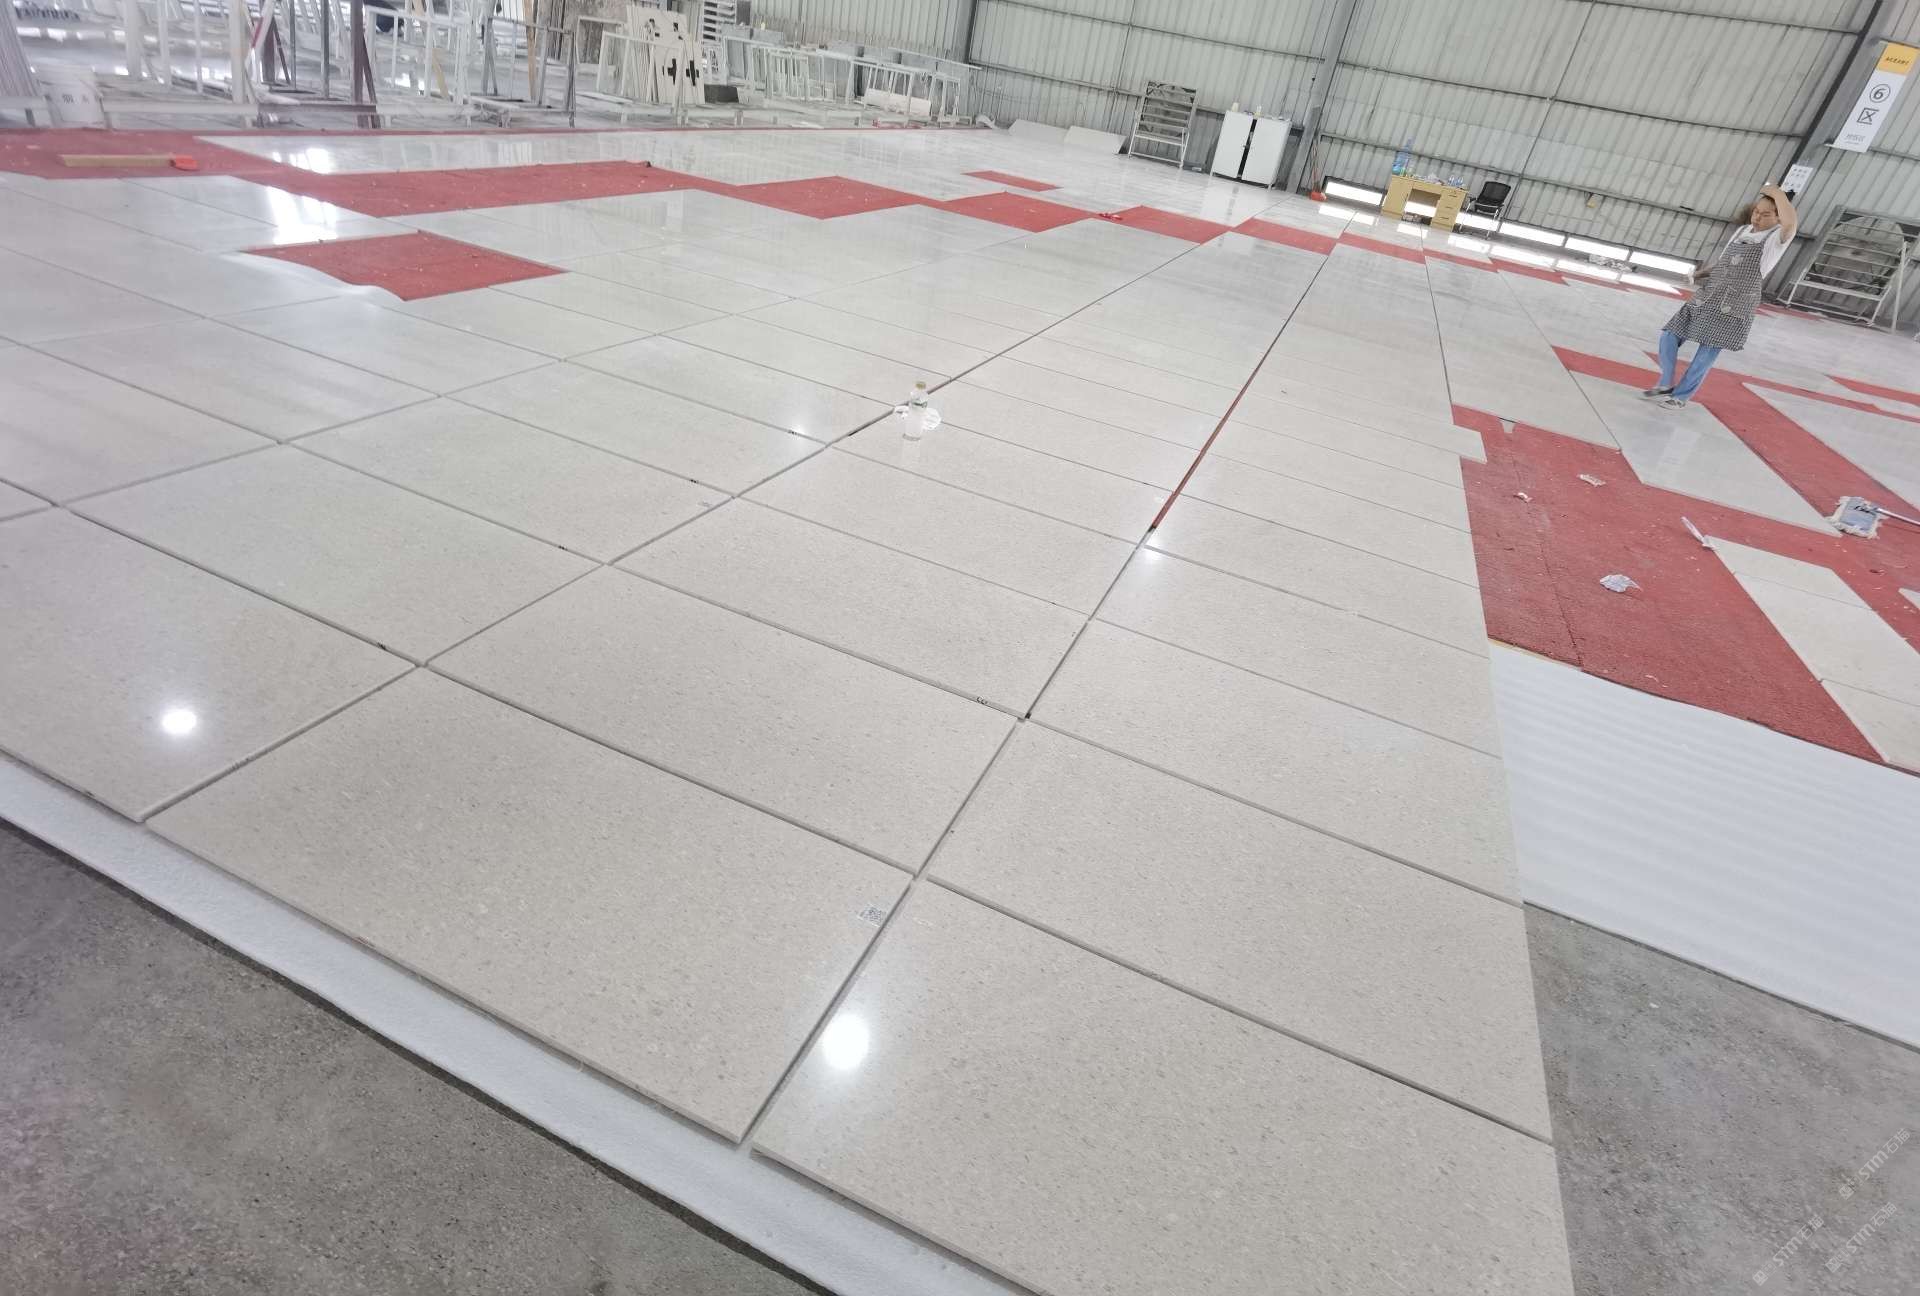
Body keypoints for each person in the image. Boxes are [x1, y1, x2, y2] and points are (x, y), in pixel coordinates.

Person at [1643, 183, 1798, 409]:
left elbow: (1791, 223)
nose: (1757, 218)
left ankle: (1680, 397)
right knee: (1670, 334)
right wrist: (1700, 274)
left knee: (1706, 352)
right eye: (1756, 212)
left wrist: (1776, 193)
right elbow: (1724, 262)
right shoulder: (1742, 231)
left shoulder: (1776, 240)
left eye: (1765, 215)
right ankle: (1666, 382)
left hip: (1734, 304)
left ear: (1778, 218)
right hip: (1709, 294)